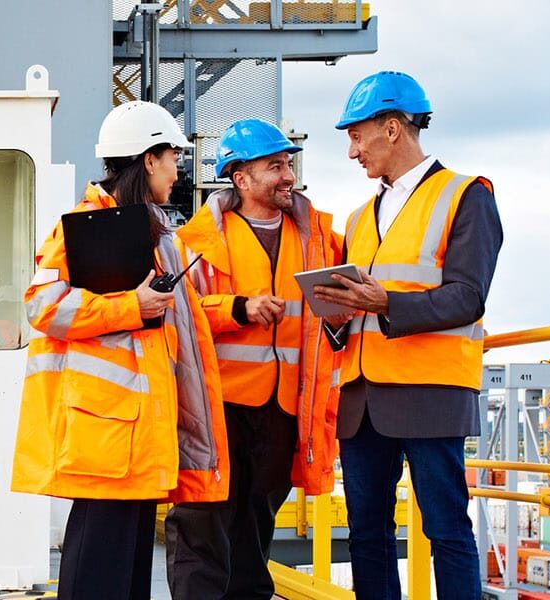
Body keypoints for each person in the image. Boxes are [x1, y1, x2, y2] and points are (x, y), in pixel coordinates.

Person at [10, 100, 230, 600]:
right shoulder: (86, 222)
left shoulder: (155, 234)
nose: (178, 169)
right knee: (98, 579)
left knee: (125, 583)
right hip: (105, 441)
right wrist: (132, 305)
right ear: (148, 160)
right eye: (173, 157)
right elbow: (42, 304)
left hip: (137, 439)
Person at [311, 71, 504, 600]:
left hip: (429, 390)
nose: (352, 152)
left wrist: (387, 303)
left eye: (357, 136)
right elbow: (359, 308)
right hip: (362, 396)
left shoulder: (466, 195)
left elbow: (468, 297)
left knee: (446, 529)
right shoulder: (358, 218)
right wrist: (335, 316)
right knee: (365, 534)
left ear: (393, 128)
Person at [165, 118, 345, 600]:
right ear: (241, 178)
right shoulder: (197, 243)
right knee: (202, 524)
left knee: (255, 530)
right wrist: (236, 308)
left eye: (288, 164)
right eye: (275, 166)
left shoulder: (320, 239)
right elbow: (176, 315)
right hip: (216, 410)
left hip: (282, 411)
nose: (288, 176)